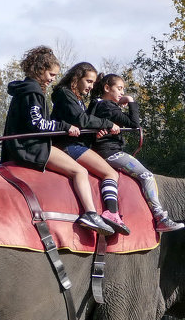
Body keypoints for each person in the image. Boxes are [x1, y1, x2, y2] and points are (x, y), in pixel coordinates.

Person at [1, 46, 114, 235]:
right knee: (79, 171)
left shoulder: (24, 89)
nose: (53, 78)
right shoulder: (33, 92)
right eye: (51, 74)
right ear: (39, 70)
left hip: (20, 144)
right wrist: (65, 127)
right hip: (32, 147)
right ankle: (90, 213)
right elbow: (38, 124)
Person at [87, 73, 185, 233]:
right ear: (106, 88)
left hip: (101, 151)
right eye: (118, 89)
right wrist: (130, 100)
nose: (121, 93)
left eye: (123, 90)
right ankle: (160, 216)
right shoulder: (107, 106)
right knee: (146, 175)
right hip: (110, 153)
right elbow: (134, 123)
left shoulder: (97, 106)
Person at [49, 62, 130, 235]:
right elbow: (81, 120)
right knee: (111, 173)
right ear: (77, 78)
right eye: (88, 81)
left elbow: (83, 123)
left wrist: (96, 134)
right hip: (68, 146)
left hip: (75, 143)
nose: (91, 86)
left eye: (93, 83)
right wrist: (108, 123)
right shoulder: (65, 94)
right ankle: (104, 213)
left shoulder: (76, 98)